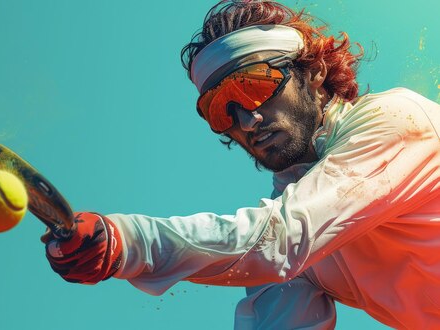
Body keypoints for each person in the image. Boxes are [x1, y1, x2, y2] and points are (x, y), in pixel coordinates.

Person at [41, 0, 440, 328]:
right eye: (221, 110)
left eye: (255, 86)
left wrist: (127, 241)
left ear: (315, 72)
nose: (247, 121)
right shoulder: (288, 244)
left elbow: (280, 239)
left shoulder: (396, 120)